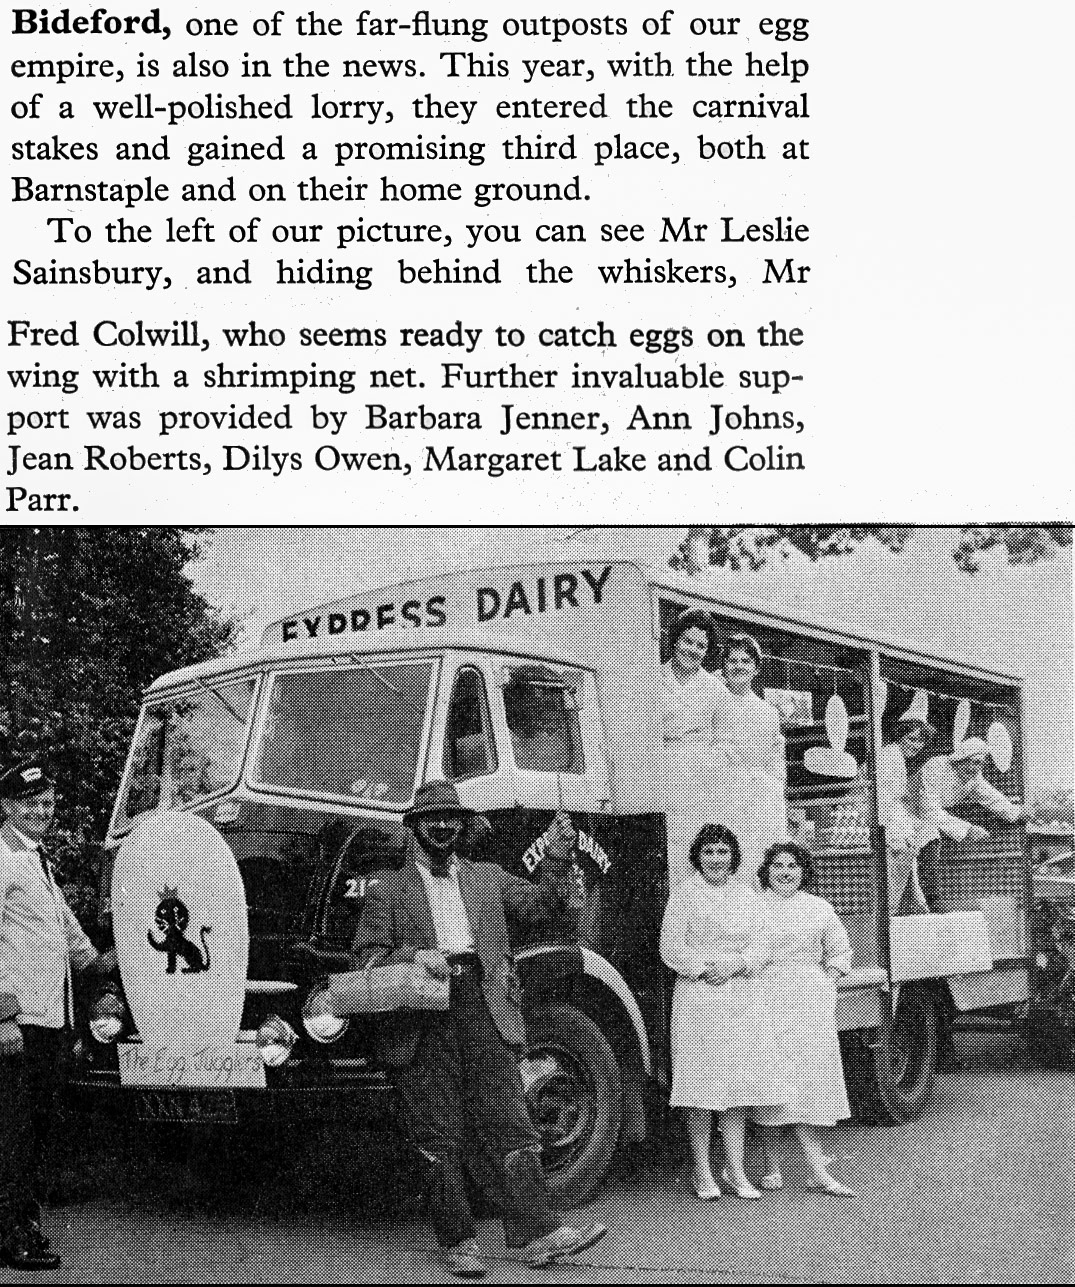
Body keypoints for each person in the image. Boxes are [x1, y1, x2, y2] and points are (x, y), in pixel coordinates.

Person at [350, 780, 606, 1279]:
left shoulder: (488, 877)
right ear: (414, 830)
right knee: (437, 1128)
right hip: (423, 1013)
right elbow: (368, 959)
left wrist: (558, 855)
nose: (442, 827)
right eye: (431, 821)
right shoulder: (387, 890)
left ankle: (537, 1234)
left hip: (486, 1006)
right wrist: (412, 956)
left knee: (509, 1118)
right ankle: (460, 1242)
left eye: (451, 820)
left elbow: (544, 907)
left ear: (465, 828)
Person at [0, 759, 115, 1272]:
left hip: (50, 1019)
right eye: (32, 804)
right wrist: (2, 1019)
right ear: (7, 806)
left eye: (48, 804)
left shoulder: (35, 861)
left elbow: (66, 931)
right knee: (14, 1132)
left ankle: (23, 1223)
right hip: (19, 1023)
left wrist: (107, 960)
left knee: (36, 1128)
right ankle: (11, 1236)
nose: (43, 813)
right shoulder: (3, 859)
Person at [659, 824, 788, 1201]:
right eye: (709, 852)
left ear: (733, 856)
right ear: (698, 856)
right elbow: (670, 947)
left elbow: (764, 944)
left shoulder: (747, 896)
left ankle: (735, 1170)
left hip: (740, 998)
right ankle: (702, 1171)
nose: (717, 859)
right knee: (700, 1087)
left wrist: (736, 965)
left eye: (723, 851)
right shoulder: (684, 896)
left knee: (737, 1086)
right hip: (699, 999)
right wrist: (702, 968)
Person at [753, 843, 856, 1196]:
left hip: (809, 1002)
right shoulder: (754, 907)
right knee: (773, 1083)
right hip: (766, 998)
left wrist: (827, 981)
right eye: (778, 865)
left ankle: (815, 1169)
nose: (785, 872)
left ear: (803, 871)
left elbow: (840, 952)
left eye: (793, 866)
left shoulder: (818, 908)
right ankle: (773, 1166)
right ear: (766, 871)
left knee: (805, 1082)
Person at [909, 737, 1024, 912]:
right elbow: (929, 809)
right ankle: (931, 903)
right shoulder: (936, 766)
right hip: (906, 812)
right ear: (961, 758)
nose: (977, 768)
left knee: (927, 843)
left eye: (981, 764)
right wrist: (967, 829)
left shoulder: (973, 776)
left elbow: (991, 797)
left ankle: (929, 905)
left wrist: (1017, 812)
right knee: (927, 843)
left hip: (925, 818)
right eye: (975, 762)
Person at [709, 633, 788, 887]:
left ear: (755, 668)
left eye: (745, 661)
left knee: (757, 863)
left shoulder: (768, 712)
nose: (738, 666)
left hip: (758, 801)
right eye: (732, 660)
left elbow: (776, 762)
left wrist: (767, 783)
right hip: (722, 796)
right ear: (724, 665)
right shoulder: (713, 703)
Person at [658, 610, 727, 888]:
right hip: (660, 778)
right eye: (688, 641)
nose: (694, 650)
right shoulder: (652, 679)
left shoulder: (715, 689)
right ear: (675, 640)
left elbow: (723, 742)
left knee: (697, 850)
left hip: (700, 782)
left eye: (701, 646)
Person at [877, 717, 935, 914]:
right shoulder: (890, 757)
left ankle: (917, 911)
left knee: (907, 877)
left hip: (895, 826)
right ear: (900, 736)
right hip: (890, 830)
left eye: (920, 741)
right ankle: (891, 918)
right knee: (894, 883)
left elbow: (895, 801)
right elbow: (883, 800)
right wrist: (896, 834)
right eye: (911, 739)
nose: (916, 745)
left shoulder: (895, 757)